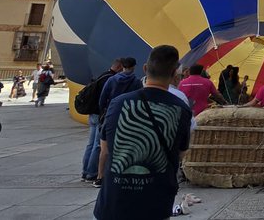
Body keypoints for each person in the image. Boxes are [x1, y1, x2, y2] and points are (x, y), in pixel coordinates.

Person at [94, 45, 193, 220]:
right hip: (155, 203)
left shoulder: (117, 103)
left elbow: (105, 149)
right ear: (174, 75)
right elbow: (181, 153)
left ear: (145, 69)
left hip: (113, 202)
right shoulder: (182, 109)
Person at [94, 57, 142, 187]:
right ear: (133, 67)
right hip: (129, 118)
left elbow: (102, 99)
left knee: (104, 149)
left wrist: (104, 112)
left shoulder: (112, 80)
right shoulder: (137, 82)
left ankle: (99, 177)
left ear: (122, 66)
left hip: (111, 115)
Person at [81, 58, 123, 183]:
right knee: (98, 145)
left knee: (90, 144)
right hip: (100, 115)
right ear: (120, 67)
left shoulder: (102, 76)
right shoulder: (110, 79)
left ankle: (85, 171)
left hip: (92, 114)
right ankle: (92, 173)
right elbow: (105, 99)